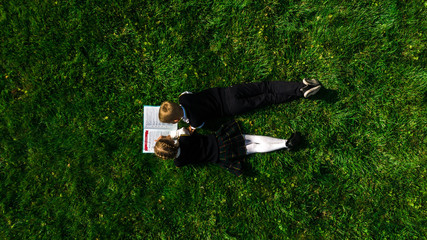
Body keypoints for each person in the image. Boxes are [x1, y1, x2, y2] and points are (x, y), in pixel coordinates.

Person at [158, 79, 321, 131]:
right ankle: (299, 85)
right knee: (265, 87)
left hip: (231, 108)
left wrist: (189, 129)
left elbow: (200, 125)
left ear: (174, 121)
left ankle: (300, 93)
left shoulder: (194, 120)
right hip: (228, 92)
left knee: (268, 98)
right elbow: (184, 93)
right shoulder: (184, 100)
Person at [154, 121, 302, 176]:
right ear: (171, 141)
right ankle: (284, 142)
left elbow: (179, 156)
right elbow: (185, 131)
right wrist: (171, 135)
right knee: (252, 138)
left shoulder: (178, 162)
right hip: (220, 141)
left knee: (252, 149)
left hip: (221, 155)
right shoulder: (184, 139)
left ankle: (285, 145)